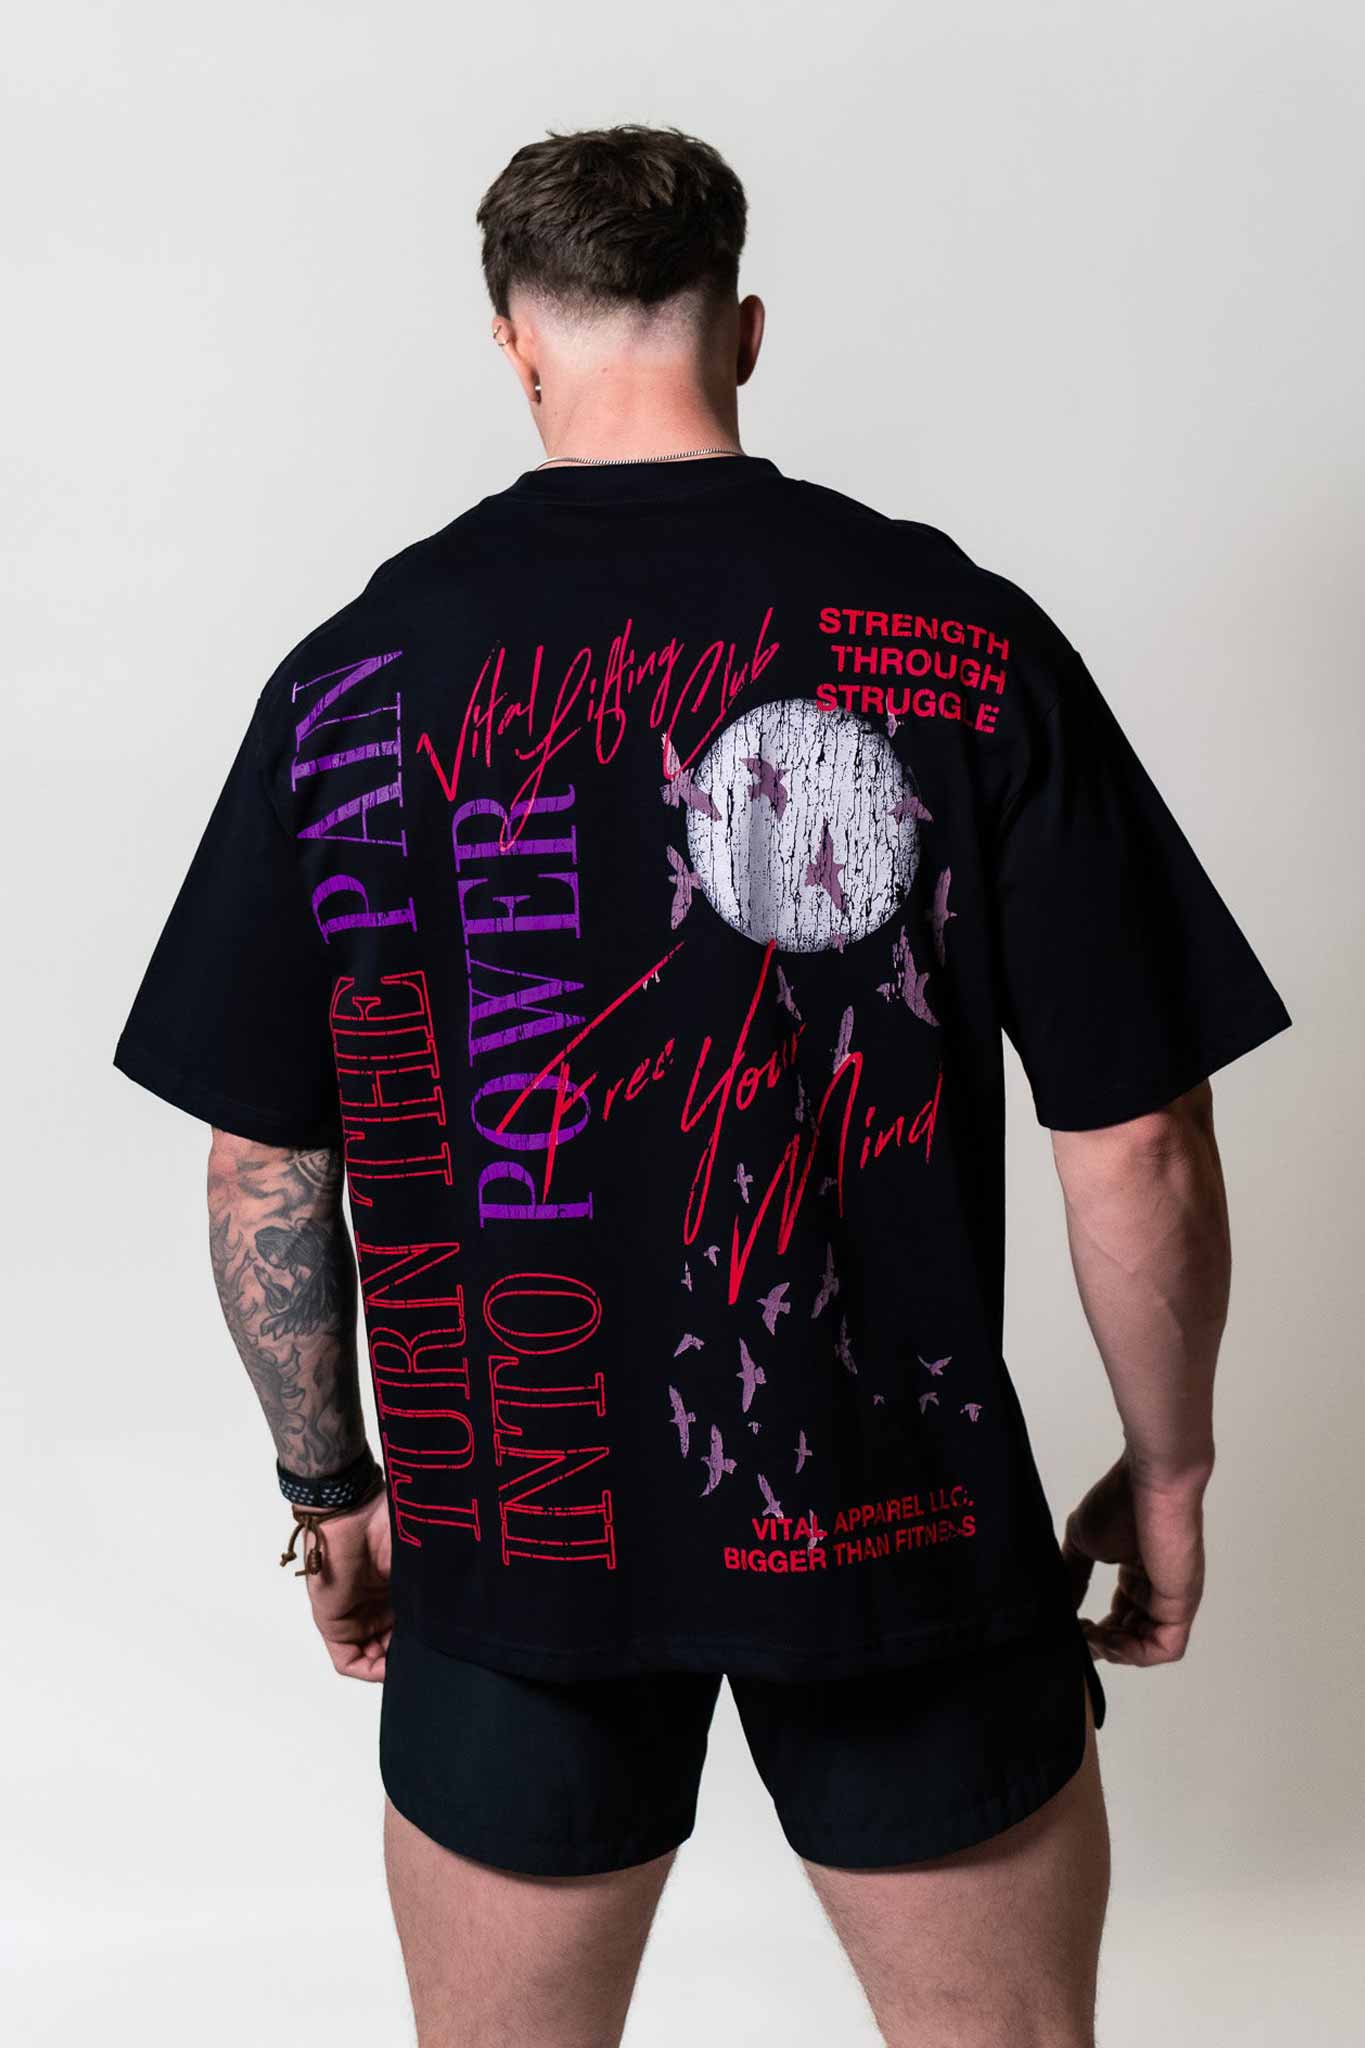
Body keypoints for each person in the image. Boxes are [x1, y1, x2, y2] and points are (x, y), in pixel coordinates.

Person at [114, 123, 1291, 2048]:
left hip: (516, 1534)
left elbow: (265, 1164)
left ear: (514, 342)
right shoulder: (958, 641)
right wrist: (1165, 1471)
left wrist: (327, 1489)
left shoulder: (355, 678)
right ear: (742, 327)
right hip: (896, 1525)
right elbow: (1137, 1138)